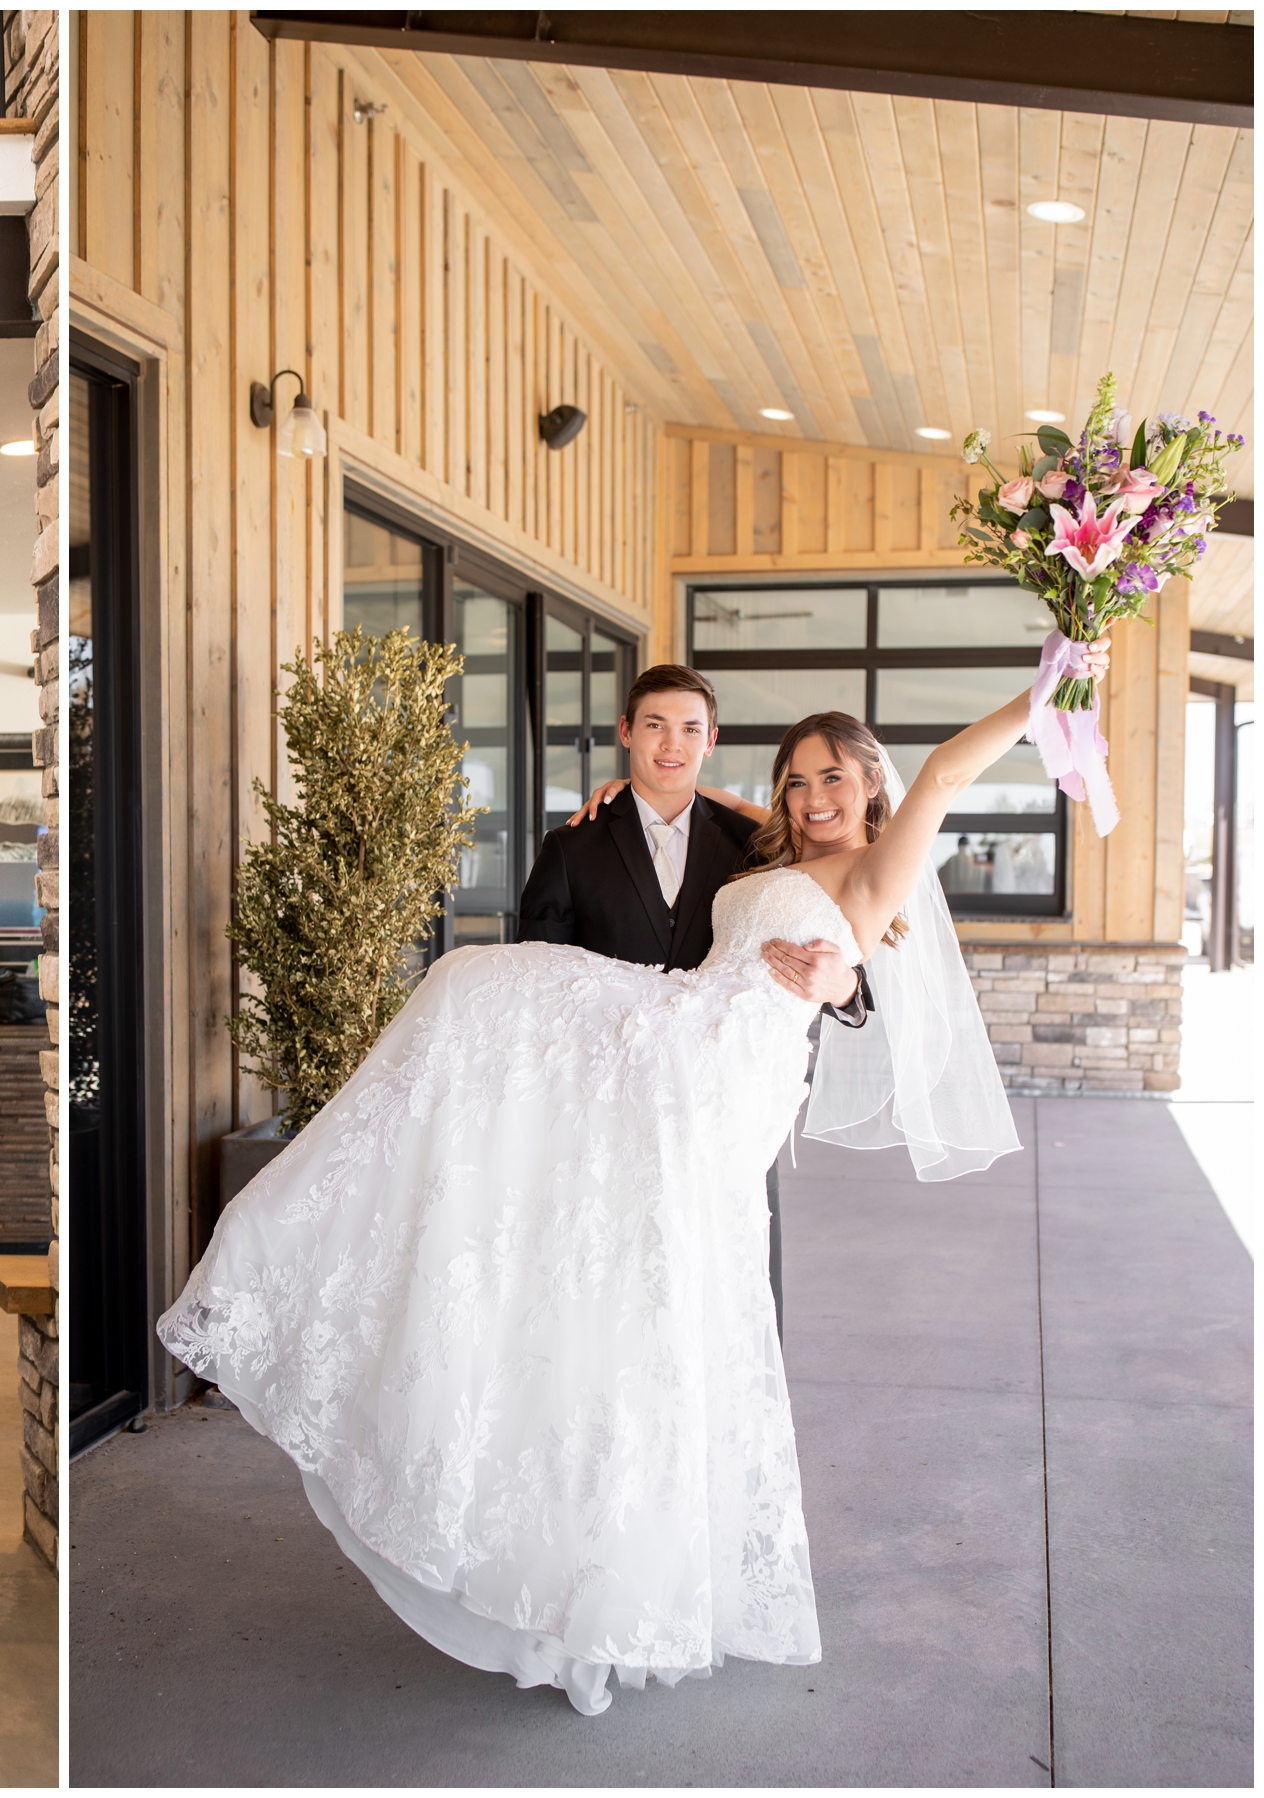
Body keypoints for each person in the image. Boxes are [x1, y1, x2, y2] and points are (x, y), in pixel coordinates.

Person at [158, 644, 1104, 1715]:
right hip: (666, 1044)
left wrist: (1044, 696)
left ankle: (624, 1576)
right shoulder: (745, 839)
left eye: (836, 777)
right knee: (485, 1022)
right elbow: (749, 811)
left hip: (709, 1080)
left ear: (873, 785)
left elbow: (940, 778)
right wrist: (670, 789)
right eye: (797, 779)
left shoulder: (873, 867)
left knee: (486, 1006)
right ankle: (536, 1510)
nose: (813, 794)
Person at [521, 663, 873, 1336]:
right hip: (612, 1108)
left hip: (728, 1107)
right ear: (626, 732)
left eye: (689, 728)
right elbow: (539, 979)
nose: (670, 744)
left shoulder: (761, 846)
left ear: (711, 738)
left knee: (734, 1293)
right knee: (616, 1290)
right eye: (654, 726)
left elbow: (843, 940)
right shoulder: (570, 848)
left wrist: (846, 987)